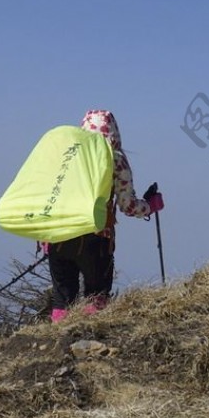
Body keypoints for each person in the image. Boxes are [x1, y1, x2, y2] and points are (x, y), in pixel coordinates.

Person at [47, 109, 163, 322]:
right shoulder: (115, 158)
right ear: (114, 132)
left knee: (62, 301)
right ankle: (92, 342)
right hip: (96, 239)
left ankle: (60, 343)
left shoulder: (66, 155)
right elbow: (128, 206)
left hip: (58, 236)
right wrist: (151, 206)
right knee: (96, 297)